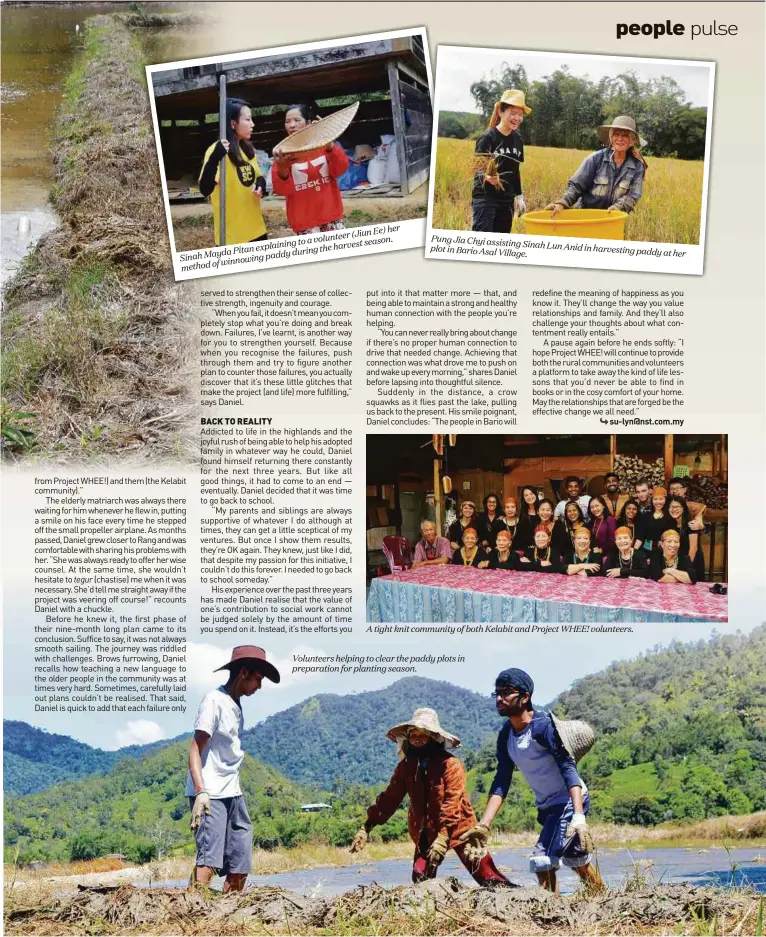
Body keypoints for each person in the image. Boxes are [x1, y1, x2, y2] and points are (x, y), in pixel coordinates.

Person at [458, 669, 603, 895]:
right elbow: (501, 780)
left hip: (568, 800)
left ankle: (551, 912)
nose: (499, 698)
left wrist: (579, 818)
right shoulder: (506, 734)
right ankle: (602, 898)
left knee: (542, 859)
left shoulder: (543, 728)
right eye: (496, 693)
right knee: (576, 859)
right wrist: (484, 825)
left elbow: (568, 770)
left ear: (525, 697)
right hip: (548, 805)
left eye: (506, 693)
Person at [350, 708, 513, 887]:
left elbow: (452, 802)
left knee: (487, 876)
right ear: (408, 737)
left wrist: (443, 838)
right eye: (413, 734)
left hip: (460, 827)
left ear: (433, 737)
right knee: (420, 878)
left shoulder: (450, 765)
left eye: (423, 734)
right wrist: (367, 827)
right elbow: (390, 798)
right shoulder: (406, 767)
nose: (417, 738)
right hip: (425, 830)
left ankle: (515, 897)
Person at [187, 646, 281, 891]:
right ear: (244, 673)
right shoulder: (213, 701)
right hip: (211, 793)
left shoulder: (236, 705)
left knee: (241, 857)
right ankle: (197, 910)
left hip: (232, 791)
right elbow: (195, 748)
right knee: (209, 857)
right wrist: (200, 792)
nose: (259, 686)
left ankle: (228, 912)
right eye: (258, 679)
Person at [271, 103, 349, 235]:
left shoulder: (324, 146)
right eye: (287, 121)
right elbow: (280, 189)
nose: (292, 125)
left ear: (308, 123)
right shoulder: (282, 154)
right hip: (304, 223)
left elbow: (341, 169)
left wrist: (328, 143)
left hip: (331, 218)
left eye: (297, 120)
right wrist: (282, 168)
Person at [545, 116, 647, 217]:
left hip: (613, 217)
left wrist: (617, 208)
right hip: (585, 215)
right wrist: (562, 203)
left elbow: (633, 194)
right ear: (611, 137)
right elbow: (576, 186)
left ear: (631, 141)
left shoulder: (637, 166)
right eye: (616, 134)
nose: (620, 138)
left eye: (625, 135)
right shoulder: (595, 159)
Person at [199, 98, 267, 246]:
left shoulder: (248, 150)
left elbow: (258, 176)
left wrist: (261, 184)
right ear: (232, 123)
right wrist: (214, 158)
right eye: (248, 119)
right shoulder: (216, 151)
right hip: (232, 237)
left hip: (257, 229)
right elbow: (205, 189)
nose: (252, 124)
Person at [471, 89, 530, 233]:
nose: (517, 118)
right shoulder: (488, 138)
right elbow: (477, 170)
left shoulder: (518, 139)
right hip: (486, 199)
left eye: (520, 114)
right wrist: (487, 177)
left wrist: (520, 196)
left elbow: (515, 171)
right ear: (501, 112)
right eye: (513, 113)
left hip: (507, 201)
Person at [664, 495, 705, 579]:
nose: (674, 510)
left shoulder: (691, 524)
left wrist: (687, 567)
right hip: (678, 560)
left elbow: (693, 548)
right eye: (671, 507)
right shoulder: (670, 524)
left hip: (692, 560)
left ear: (683, 508)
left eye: (677, 507)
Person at [636, 486, 668, 553]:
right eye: (655, 499)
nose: (658, 502)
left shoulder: (669, 517)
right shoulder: (645, 516)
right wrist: (634, 552)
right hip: (646, 550)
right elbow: (640, 537)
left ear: (665, 500)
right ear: (652, 500)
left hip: (663, 550)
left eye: (661, 499)